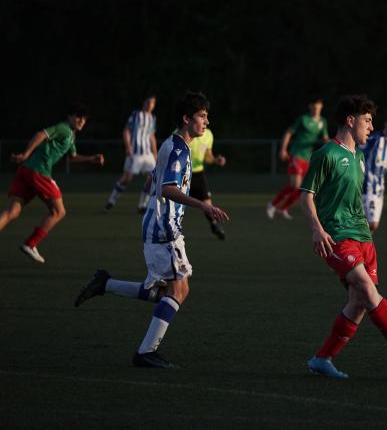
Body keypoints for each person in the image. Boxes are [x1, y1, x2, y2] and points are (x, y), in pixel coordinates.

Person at [74, 91, 229, 369]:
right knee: (178, 291)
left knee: (169, 292)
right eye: (202, 116)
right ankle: (146, 352)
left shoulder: (173, 144)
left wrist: (153, 185)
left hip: (161, 226)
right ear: (186, 118)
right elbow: (167, 189)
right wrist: (203, 206)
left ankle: (105, 284)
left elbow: (154, 183)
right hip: (163, 229)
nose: (206, 121)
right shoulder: (179, 148)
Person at [300, 95, 387, 379]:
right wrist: (317, 228)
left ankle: (322, 359)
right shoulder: (326, 154)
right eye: (367, 121)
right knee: (365, 287)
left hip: (363, 235)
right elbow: (306, 196)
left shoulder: (360, 156)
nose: (371, 126)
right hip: (337, 236)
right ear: (350, 121)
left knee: (359, 302)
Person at [0, 104, 104, 264]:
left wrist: (91, 159)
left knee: (12, 211)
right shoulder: (63, 128)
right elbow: (41, 134)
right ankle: (30, 243)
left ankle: (30, 243)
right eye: (78, 116)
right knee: (59, 212)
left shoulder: (71, 136)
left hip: (26, 171)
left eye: (84, 118)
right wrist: (26, 154)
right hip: (38, 171)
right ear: (69, 116)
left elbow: (73, 157)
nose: (81, 120)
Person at [267, 97, 328, 220]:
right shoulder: (303, 119)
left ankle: (282, 208)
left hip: (308, 157)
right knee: (296, 185)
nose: (316, 109)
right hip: (297, 154)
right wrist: (283, 149)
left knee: (303, 187)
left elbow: (325, 138)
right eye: (314, 107)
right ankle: (272, 204)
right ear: (310, 107)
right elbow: (288, 133)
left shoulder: (322, 122)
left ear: (321, 107)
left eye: (318, 107)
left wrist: (333, 145)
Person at [104, 94, 158, 213]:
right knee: (127, 178)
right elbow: (126, 131)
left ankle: (142, 205)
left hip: (147, 154)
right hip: (135, 153)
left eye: (153, 103)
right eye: (149, 102)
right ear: (144, 103)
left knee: (153, 178)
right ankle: (111, 201)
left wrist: (155, 153)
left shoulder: (152, 118)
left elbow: (152, 136)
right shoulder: (136, 115)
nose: (150, 105)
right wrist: (128, 146)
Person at [188, 127, 227, 239]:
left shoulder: (208, 134)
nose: (206, 121)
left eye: (206, 116)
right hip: (181, 172)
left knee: (207, 204)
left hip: (198, 174)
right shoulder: (182, 131)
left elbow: (208, 157)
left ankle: (214, 225)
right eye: (202, 116)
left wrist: (216, 160)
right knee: (174, 203)